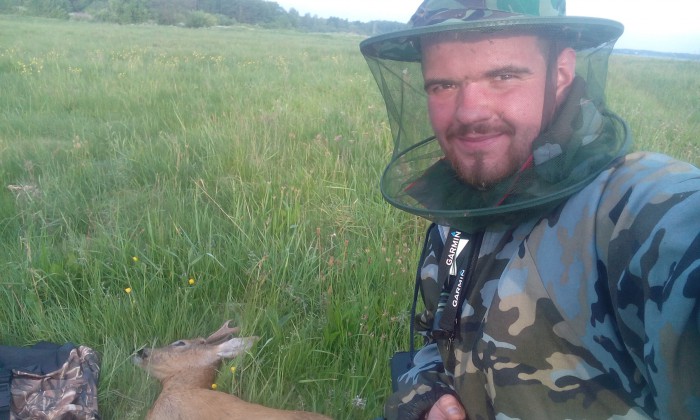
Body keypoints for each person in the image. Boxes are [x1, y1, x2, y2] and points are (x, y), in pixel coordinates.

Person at [359, 1, 700, 419]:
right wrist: (427, 397)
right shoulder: (459, 209)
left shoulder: (639, 210)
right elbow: (439, 342)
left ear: (561, 74)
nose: (469, 112)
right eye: (443, 85)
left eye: (503, 76)